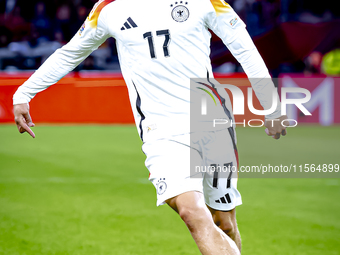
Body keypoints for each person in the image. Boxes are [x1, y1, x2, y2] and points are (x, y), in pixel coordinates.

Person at [13, 0, 288, 254]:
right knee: (191, 211)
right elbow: (70, 53)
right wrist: (24, 93)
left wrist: (271, 105)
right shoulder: (109, 8)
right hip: (162, 131)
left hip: (212, 121)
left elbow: (244, 48)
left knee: (224, 223)